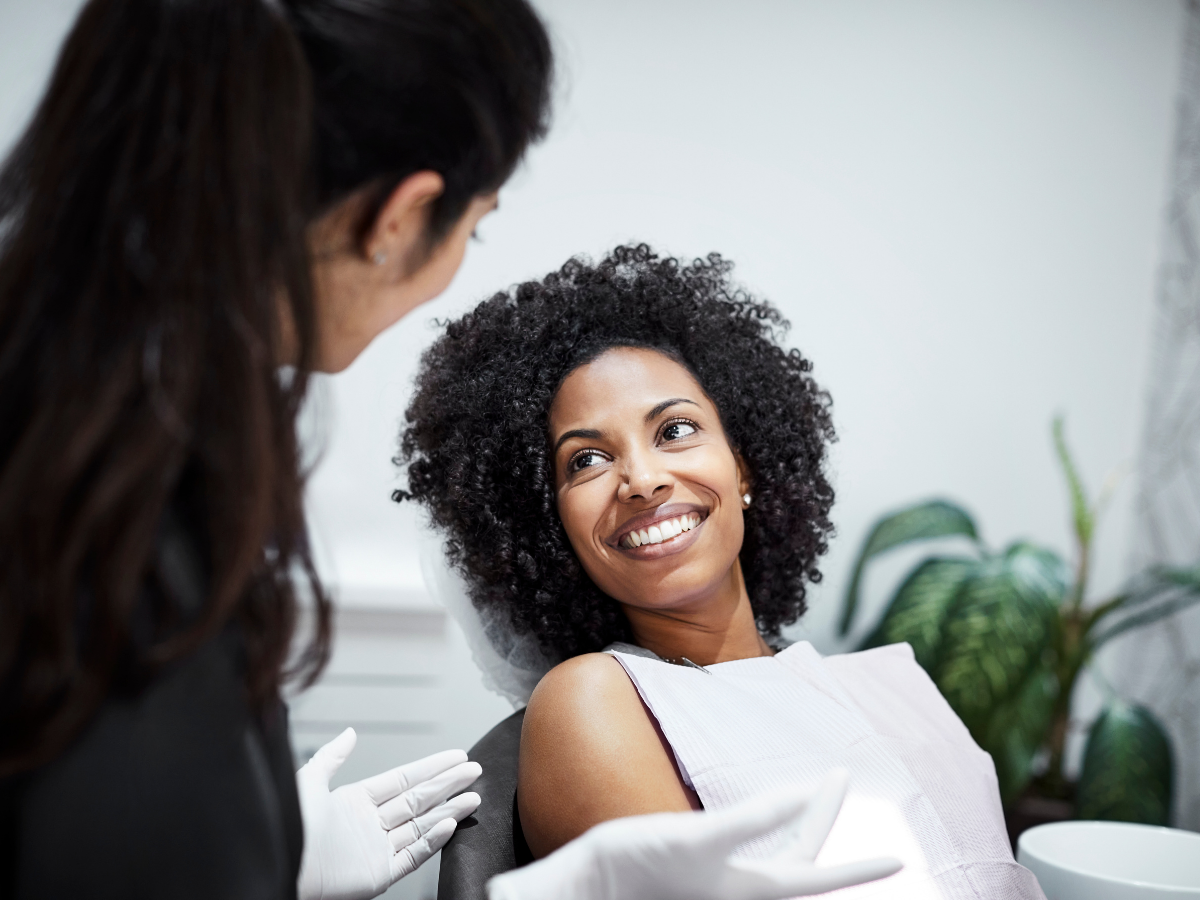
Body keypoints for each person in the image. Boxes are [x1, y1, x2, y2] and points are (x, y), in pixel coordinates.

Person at [0, 2, 898, 899]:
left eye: (676, 429)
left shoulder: (93, 445)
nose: (642, 478)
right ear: (402, 217)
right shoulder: (125, 528)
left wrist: (268, 849)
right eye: (476, 224)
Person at [398, 245, 1047, 898]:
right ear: (550, 526)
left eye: (675, 429)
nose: (642, 479)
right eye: (587, 460)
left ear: (744, 468)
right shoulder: (595, 701)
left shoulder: (894, 682)